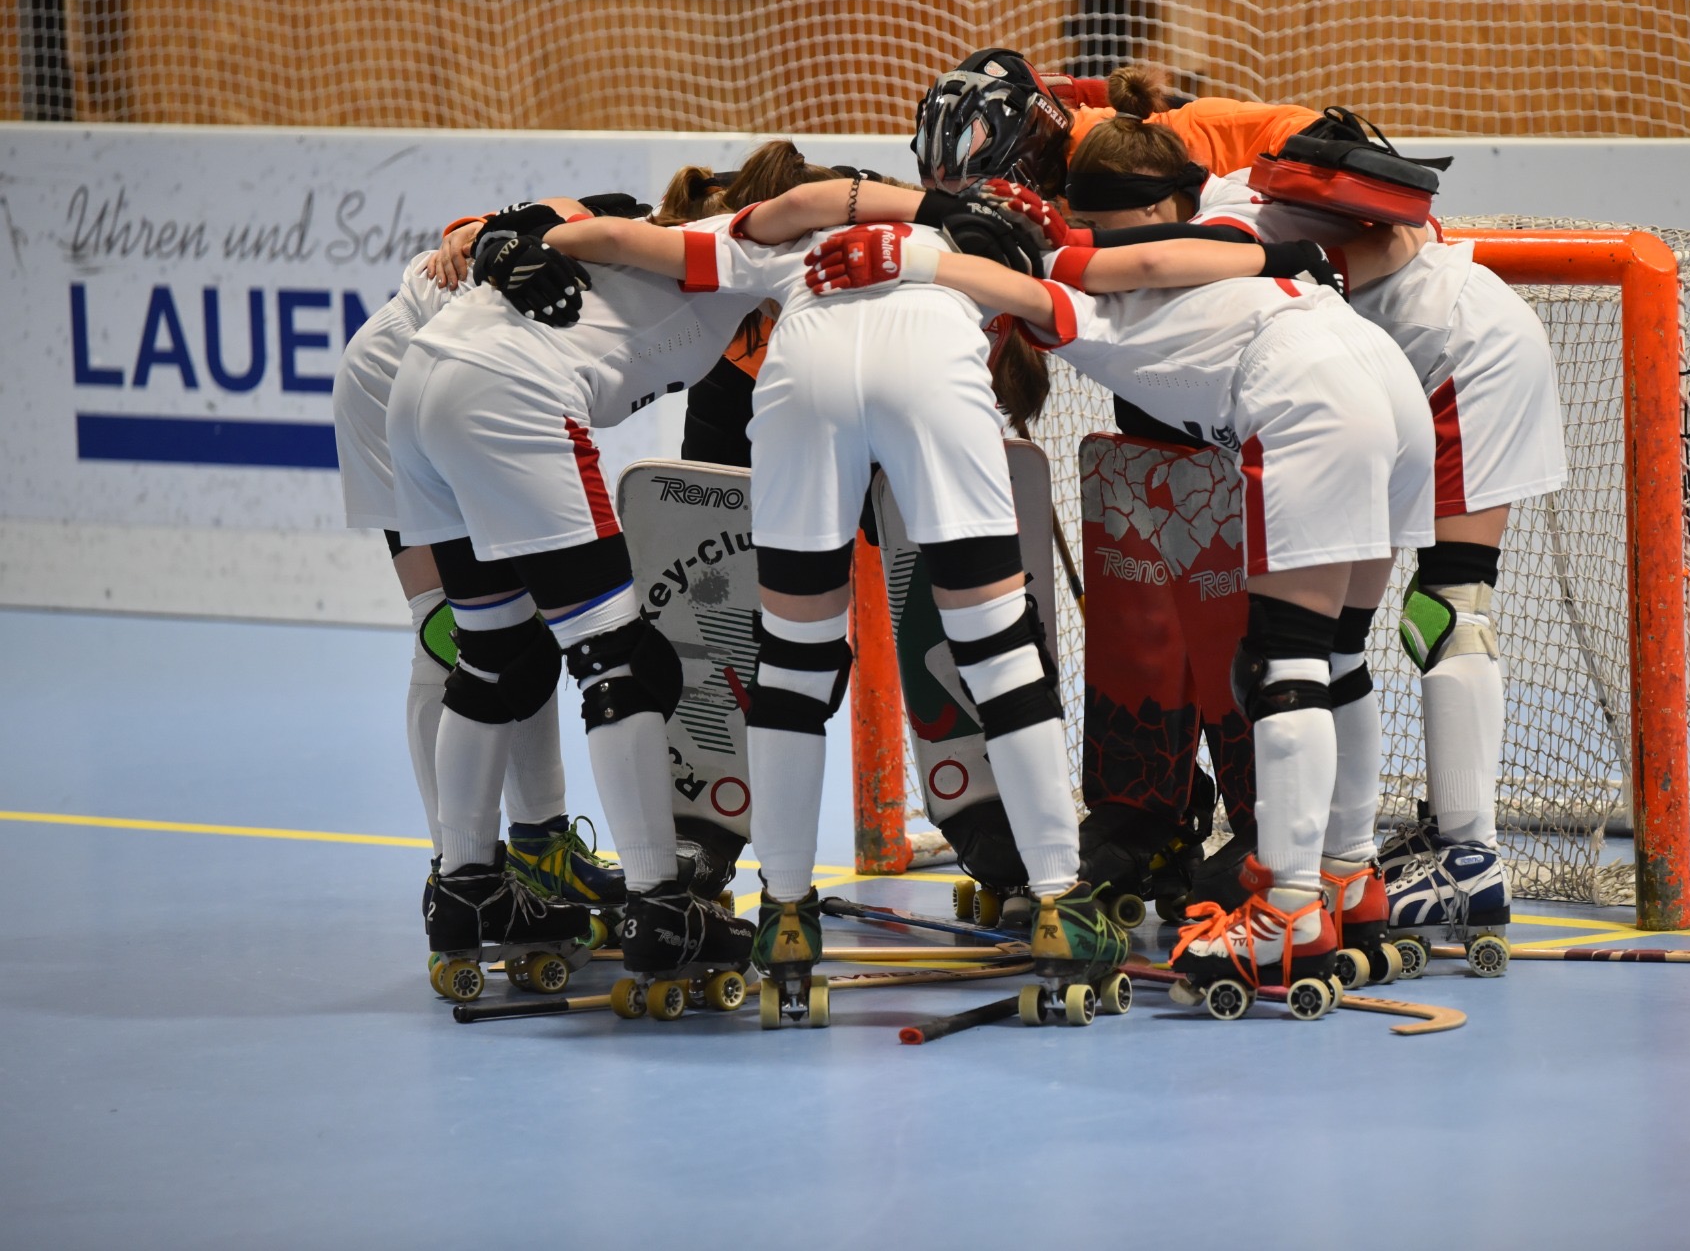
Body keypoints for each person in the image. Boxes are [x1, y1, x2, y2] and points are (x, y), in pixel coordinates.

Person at [805, 195, 1434, 1016]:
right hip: (1384, 374)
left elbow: (1038, 286)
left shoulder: (1077, 302)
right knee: (1338, 653)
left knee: (1284, 665)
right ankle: (1349, 876)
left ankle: (1288, 908)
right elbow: (1167, 255)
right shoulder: (1198, 256)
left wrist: (910, 259)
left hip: (1309, 391)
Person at [536, 176, 1132, 1026]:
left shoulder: (798, 237)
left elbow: (630, 241)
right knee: (999, 651)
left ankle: (785, 913)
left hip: (802, 376)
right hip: (930, 368)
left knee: (792, 662)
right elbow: (1122, 289)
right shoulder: (991, 256)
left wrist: (524, 234)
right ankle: (1058, 899)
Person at [1018, 67, 1566, 971]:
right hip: (1431, 354)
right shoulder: (1235, 188)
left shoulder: (1229, 213)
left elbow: (1155, 262)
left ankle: (1443, 859)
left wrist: (1046, 251)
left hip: (1447, 355)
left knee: (1413, 620)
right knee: (1370, 635)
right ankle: (1359, 871)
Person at [387, 188, 775, 1002]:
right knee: (621, 662)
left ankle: (465, 888)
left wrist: (501, 236)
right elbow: (550, 222)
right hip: (502, 390)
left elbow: (539, 219)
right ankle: (659, 904)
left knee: (498, 654)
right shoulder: (747, 251)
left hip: (420, 384)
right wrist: (498, 237)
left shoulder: (700, 263)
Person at [333, 198, 631, 956]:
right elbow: (482, 233)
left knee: (521, 626)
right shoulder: (612, 239)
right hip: (396, 384)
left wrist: (464, 235)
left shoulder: (628, 249)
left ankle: (539, 845)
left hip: (463, 383)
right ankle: (459, 869)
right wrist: (466, 235)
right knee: (454, 632)